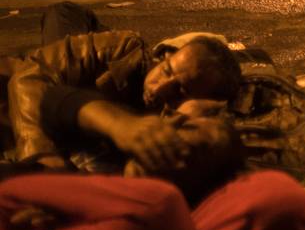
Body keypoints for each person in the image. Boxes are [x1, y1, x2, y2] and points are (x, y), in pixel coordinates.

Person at [3, 24, 242, 166]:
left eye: (179, 92)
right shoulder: (125, 51)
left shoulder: (186, 137)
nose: (158, 89)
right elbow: (30, 76)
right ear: (165, 57)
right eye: (166, 71)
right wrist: (42, 156)